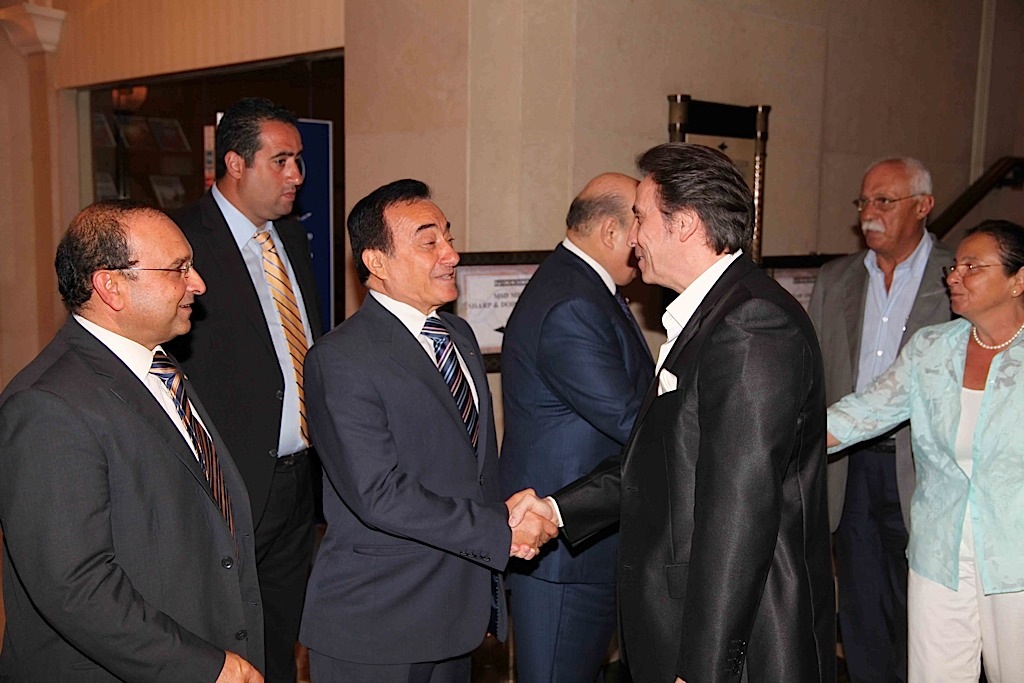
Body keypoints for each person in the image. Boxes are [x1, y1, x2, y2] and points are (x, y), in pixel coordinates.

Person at [509, 143, 835, 682]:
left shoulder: (752, 325)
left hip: (742, 646)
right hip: (685, 625)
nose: (633, 236)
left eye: (640, 217)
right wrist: (557, 509)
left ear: (683, 224)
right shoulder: (709, 315)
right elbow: (657, 456)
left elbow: (739, 516)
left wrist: (702, 669)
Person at [300, 179, 557, 682]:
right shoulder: (341, 358)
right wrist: (498, 531)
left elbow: (471, 468)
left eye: (449, 237)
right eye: (429, 242)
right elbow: (378, 493)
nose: (451, 255)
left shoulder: (457, 334)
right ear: (376, 261)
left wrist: (506, 516)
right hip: (380, 621)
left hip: (456, 614)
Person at [0, 200, 263, 682]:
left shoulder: (159, 366)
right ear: (111, 286)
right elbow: (75, 587)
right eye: (178, 269)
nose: (198, 283)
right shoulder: (47, 405)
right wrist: (204, 667)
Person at [827, 220, 1024, 682]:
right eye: (954, 267)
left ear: (1018, 280)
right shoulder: (931, 349)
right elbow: (861, 414)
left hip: (1015, 559)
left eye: (972, 267)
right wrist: (771, 436)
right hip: (939, 552)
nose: (954, 277)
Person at [166, 97, 321, 683]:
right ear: (235, 163)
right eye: (281, 161)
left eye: (299, 160)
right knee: (223, 637)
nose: (296, 175)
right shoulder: (182, 242)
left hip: (298, 479)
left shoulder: (292, 238)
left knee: (280, 635)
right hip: (225, 479)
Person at [500, 172, 653, 683]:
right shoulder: (572, 302)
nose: (644, 238)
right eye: (640, 223)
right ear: (611, 231)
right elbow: (628, 417)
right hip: (564, 553)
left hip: (586, 540)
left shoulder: (582, 286)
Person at [808, 157, 952, 682]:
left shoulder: (958, 275)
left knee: (925, 609)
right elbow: (814, 371)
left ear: (923, 206)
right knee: (862, 605)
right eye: (864, 201)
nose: (869, 213)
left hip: (923, 466)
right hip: (848, 467)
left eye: (884, 201)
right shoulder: (836, 278)